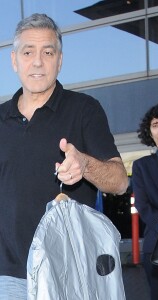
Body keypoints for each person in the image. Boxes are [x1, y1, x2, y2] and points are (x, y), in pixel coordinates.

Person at [0, 13, 128, 299]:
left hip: (68, 274)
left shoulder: (84, 110)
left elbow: (119, 181)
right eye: (28, 52)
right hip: (7, 277)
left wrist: (85, 164)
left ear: (59, 60)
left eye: (48, 52)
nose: (37, 62)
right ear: (14, 60)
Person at [132, 103, 158, 300]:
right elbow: (142, 205)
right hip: (157, 245)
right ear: (149, 131)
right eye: (155, 125)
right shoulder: (141, 166)